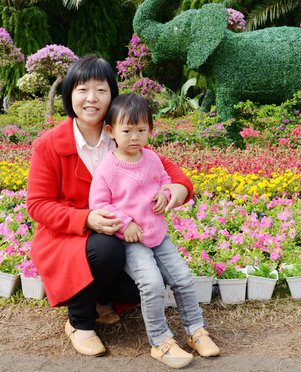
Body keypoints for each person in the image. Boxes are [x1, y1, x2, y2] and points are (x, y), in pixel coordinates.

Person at [26, 55, 193, 358]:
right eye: (82, 90)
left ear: (112, 95)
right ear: (69, 95)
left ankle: (102, 301)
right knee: (107, 248)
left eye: (101, 90)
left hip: (121, 232)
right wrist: (86, 218)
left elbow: (164, 166)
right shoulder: (49, 145)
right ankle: (80, 322)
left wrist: (178, 188)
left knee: (150, 272)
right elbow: (38, 205)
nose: (92, 98)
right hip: (66, 237)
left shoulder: (120, 131)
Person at [89, 93, 220, 369]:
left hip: (159, 235)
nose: (134, 137)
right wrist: (126, 223)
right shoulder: (107, 168)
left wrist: (164, 192)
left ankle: (196, 330)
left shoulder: (151, 158)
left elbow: (164, 180)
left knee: (183, 278)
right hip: (131, 241)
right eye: (127, 131)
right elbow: (99, 204)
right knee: (152, 284)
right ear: (111, 131)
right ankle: (161, 341)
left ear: (150, 130)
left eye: (141, 130)